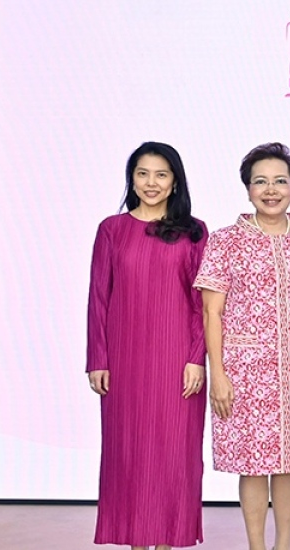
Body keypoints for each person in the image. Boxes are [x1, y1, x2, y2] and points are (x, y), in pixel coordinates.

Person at [194, 143, 290, 550]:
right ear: (247, 189)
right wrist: (218, 375)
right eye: (261, 182)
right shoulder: (225, 241)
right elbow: (211, 312)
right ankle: (256, 546)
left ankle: (283, 545)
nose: (271, 190)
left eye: (280, 181)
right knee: (253, 463)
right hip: (245, 372)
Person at [87, 142, 209, 550]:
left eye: (161, 174)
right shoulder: (112, 229)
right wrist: (97, 359)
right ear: (132, 179)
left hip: (178, 362)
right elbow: (99, 297)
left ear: (175, 181)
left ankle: (167, 542)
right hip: (125, 363)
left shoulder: (195, 231)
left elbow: (202, 303)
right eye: (142, 173)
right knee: (130, 455)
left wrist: (196, 358)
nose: (151, 183)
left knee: (174, 455)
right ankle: (137, 542)